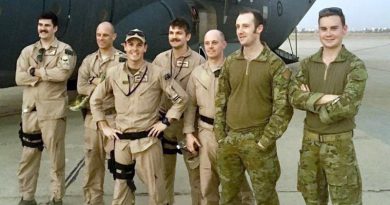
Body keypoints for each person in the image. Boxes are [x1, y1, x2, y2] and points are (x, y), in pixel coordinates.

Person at [90, 28, 188, 205]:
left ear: (145, 48)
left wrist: (165, 122)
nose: (134, 49)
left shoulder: (157, 73)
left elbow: (181, 99)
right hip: (121, 143)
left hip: (147, 143)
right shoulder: (113, 73)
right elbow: (95, 100)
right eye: (131, 44)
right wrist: (103, 125)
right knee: (121, 190)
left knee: (157, 191)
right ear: (124, 47)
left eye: (139, 45)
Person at [214, 9, 293, 205]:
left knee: (265, 197)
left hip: (259, 141)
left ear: (259, 28)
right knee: (229, 197)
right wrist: (221, 137)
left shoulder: (275, 65)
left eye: (246, 26)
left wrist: (264, 141)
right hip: (230, 140)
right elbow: (221, 100)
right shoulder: (231, 62)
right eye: (238, 26)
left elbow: (283, 108)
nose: (240, 31)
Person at [289, 7, 366, 205]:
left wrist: (311, 99)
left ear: (344, 29)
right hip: (310, 146)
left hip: (339, 146)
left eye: (334, 28)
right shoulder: (307, 64)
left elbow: (349, 105)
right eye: (324, 29)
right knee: (312, 199)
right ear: (318, 31)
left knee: (346, 201)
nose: (328, 33)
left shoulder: (355, 66)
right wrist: (329, 98)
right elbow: (294, 96)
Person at [183, 29, 255, 205]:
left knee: (237, 185)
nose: (210, 47)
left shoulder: (235, 70)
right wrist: (189, 133)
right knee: (207, 185)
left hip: (230, 133)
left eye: (214, 42)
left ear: (224, 44)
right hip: (205, 133)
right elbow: (191, 106)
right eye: (207, 43)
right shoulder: (197, 74)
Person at [15, 11, 76, 205]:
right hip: (30, 112)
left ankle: (56, 198)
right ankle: (27, 197)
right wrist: (43, 75)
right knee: (28, 157)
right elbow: (19, 78)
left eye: (47, 26)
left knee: (56, 158)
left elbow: (62, 74)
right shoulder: (28, 51)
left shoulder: (65, 51)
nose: (43, 28)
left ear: (55, 28)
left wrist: (35, 72)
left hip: (52, 114)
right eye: (40, 25)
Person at [153, 17, 205, 205]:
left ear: (188, 36)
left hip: (187, 126)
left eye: (178, 33)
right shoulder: (160, 59)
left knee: (195, 175)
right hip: (165, 126)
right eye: (171, 33)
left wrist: (190, 129)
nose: (174, 37)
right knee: (164, 174)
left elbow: (198, 96)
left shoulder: (198, 61)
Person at [76, 21, 125, 205]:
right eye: (98, 34)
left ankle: (123, 201)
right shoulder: (89, 60)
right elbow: (81, 86)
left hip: (115, 118)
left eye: (105, 35)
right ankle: (93, 202)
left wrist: (96, 82)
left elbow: (124, 87)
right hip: (92, 120)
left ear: (114, 37)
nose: (101, 38)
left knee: (120, 165)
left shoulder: (122, 60)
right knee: (92, 166)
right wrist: (102, 86)